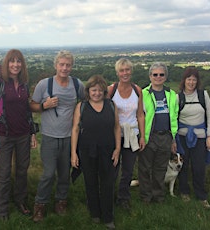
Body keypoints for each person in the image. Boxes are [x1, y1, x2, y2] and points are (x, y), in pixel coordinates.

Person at [30, 50, 85, 222]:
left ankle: (61, 202)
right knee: (48, 174)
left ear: (72, 66)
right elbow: (32, 105)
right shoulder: (44, 85)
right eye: (61, 64)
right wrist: (44, 105)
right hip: (49, 136)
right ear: (56, 65)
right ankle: (40, 205)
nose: (64, 68)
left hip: (70, 137)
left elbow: (85, 103)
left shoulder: (77, 85)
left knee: (64, 173)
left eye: (68, 65)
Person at [0, 49, 38, 220]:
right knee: (5, 174)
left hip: (23, 134)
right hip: (4, 134)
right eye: (12, 61)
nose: (15, 64)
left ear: (22, 64)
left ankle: (21, 201)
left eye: (19, 61)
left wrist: (32, 133)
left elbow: (27, 111)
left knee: (22, 170)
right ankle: (2, 210)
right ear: (6, 63)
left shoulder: (23, 84)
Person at [71, 75, 121, 229]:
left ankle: (108, 216)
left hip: (108, 150)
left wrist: (118, 149)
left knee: (107, 183)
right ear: (88, 91)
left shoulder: (111, 105)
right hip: (87, 150)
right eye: (93, 90)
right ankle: (94, 213)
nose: (97, 93)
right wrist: (74, 153)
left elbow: (117, 127)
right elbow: (75, 129)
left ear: (104, 91)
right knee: (90, 182)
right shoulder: (81, 106)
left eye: (100, 90)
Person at [107, 58, 145, 211]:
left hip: (132, 135)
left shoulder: (137, 90)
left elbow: (140, 114)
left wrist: (142, 136)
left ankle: (123, 197)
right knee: (112, 167)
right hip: (113, 135)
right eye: (122, 70)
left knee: (128, 169)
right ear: (117, 73)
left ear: (131, 71)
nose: (125, 73)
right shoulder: (111, 90)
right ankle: (109, 196)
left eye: (127, 70)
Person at [139, 62, 178, 204]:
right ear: (150, 76)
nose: (158, 77)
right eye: (155, 74)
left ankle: (158, 197)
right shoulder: (142, 94)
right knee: (145, 168)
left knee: (160, 169)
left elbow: (174, 117)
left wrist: (173, 139)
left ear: (165, 76)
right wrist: (142, 136)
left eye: (161, 74)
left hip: (166, 136)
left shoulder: (172, 94)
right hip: (150, 136)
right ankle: (145, 197)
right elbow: (139, 115)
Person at [177, 67, 210, 209]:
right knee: (183, 165)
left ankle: (201, 196)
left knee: (199, 167)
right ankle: (184, 191)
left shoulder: (203, 95)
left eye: (194, 79)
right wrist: (174, 140)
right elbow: (174, 120)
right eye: (189, 79)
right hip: (182, 137)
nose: (191, 82)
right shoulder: (178, 97)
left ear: (197, 81)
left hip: (200, 137)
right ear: (184, 80)